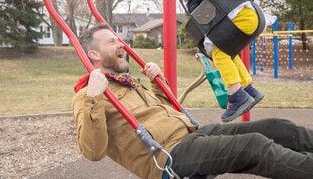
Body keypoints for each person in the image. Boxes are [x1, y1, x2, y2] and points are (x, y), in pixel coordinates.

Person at [72, 23, 313, 179]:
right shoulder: (88, 95)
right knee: (254, 146)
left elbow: (164, 110)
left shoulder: (127, 81)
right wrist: (93, 96)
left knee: (276, 127)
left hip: (193, 133)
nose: (121, 44)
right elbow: (93, 152)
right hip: (170, 157)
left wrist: (156, 82)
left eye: (119, 39)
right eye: (112, 42)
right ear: (93, 54)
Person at [159, 0, 277, 122]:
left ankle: (237, 96)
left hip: (240, 16)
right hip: (249, 16)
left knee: (219, 54)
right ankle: (248, 88)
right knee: (227, 53)